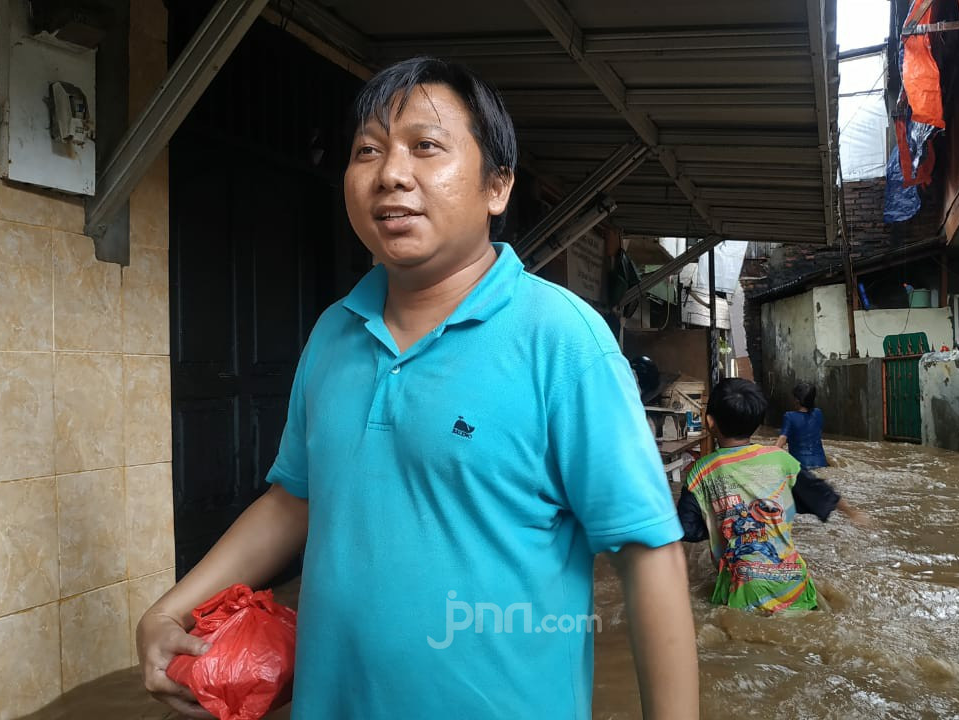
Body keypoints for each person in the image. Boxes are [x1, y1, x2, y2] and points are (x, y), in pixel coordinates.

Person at [137, 57, 699, 719]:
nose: (391, 173)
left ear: (497, 186)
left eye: (426, 146)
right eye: (367, 151)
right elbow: (295, 499)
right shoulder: (333, 332)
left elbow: (645, 550)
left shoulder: (561, 338)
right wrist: (168, 610)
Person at [676, 379, 867, 613]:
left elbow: (686, 530)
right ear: (757, 423)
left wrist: (721, 518)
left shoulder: (700, 473)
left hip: (743, 589)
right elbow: (821, 492)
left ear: (709, 421)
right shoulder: (781, 460)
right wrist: (853, 513)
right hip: (794, 582)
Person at [775, 381, 829, 469]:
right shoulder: (818, 413)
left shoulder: (789, 416)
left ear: (797, 400)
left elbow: (782, 440)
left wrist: (769, 455)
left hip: (801, 465)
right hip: (821, 463)